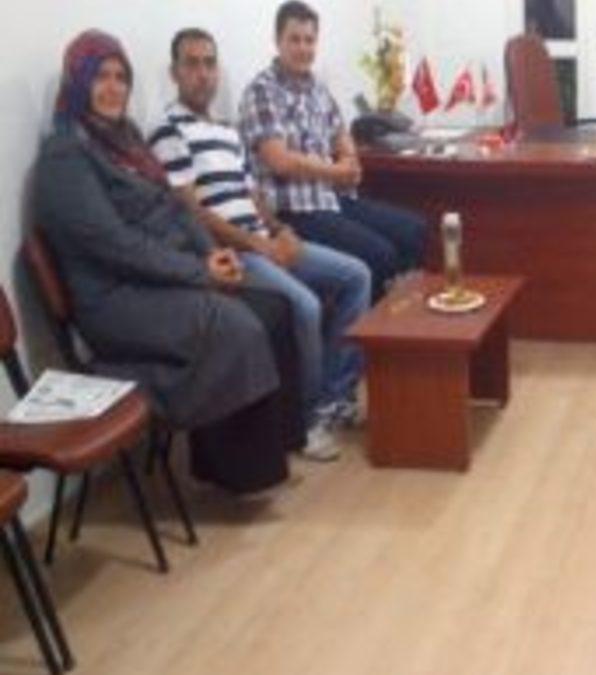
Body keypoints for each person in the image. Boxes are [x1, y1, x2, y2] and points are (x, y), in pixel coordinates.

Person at [34, 30, 301, 492]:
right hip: (115, 300)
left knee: (274, 307)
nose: (113, 87)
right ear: (77, 82)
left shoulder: (125, 140)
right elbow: (115, 245)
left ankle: (275, 449)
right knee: (233, 324)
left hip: (161, 277)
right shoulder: (66, 156)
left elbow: (176, 207)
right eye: (100, 76)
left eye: (121, 77)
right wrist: (199, 273)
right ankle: (234, 473)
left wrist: (210, 252)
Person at [151, 27, 371, 461]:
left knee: (357, 276)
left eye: (209, 63)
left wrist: (280, 230)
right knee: (304, 305)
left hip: (263, 239)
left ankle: (334, 396)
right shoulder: (168, 130)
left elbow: (252, 196)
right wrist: (259, 245)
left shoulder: (227, 130)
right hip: (232, 253)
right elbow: (192, 213)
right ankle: (307, 421)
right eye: (191, 64)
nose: (202, 73)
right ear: (175, 73)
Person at [240, 1, 426, 301]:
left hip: (330, 200)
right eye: (294, 39)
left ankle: (401, 315)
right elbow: (279, 161)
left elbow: (341, 134)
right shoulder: (261, 91)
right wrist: (336, 171)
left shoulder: (317, 88)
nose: (303, 48)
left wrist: (350, 161)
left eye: (309, 40)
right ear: (277, 41)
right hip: (292, 212)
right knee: (380, 254)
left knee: (414, 229)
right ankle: (374, 327)